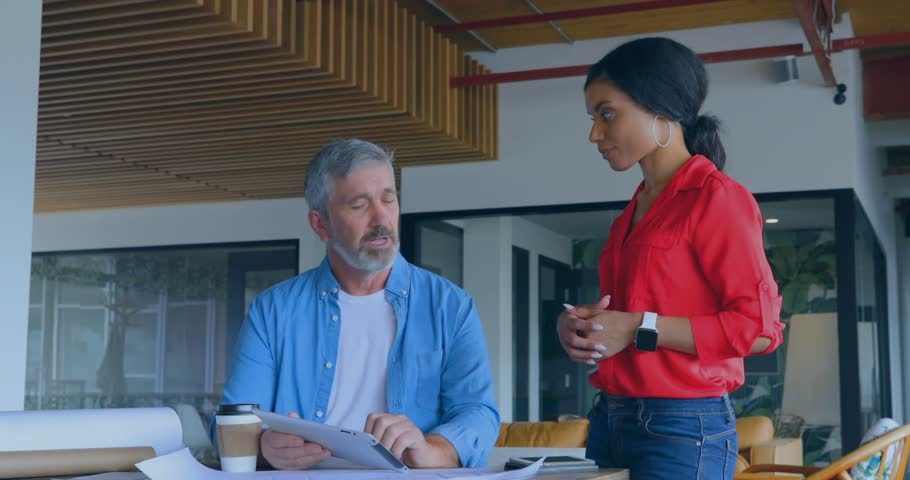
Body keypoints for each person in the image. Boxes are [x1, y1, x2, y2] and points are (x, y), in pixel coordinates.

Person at [559, 37, 786, 479]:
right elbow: (622, 322)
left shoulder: (717, 198)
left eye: (606, 114)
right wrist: (581, 328)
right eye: (592, 118)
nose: (594, 134)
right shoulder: (631, 212)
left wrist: (639, 328)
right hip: (610, 419)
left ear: (660, 110)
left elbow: (759, 331)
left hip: (684, 428)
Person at [219, 139, 499, 470]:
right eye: (359, 205)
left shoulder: (451, 307)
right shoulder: (273, 311)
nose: (382, 218)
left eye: (388, 198)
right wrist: (264, 446)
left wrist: (434, 448)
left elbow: (477, 411)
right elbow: (233, 418)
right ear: (320, 224)